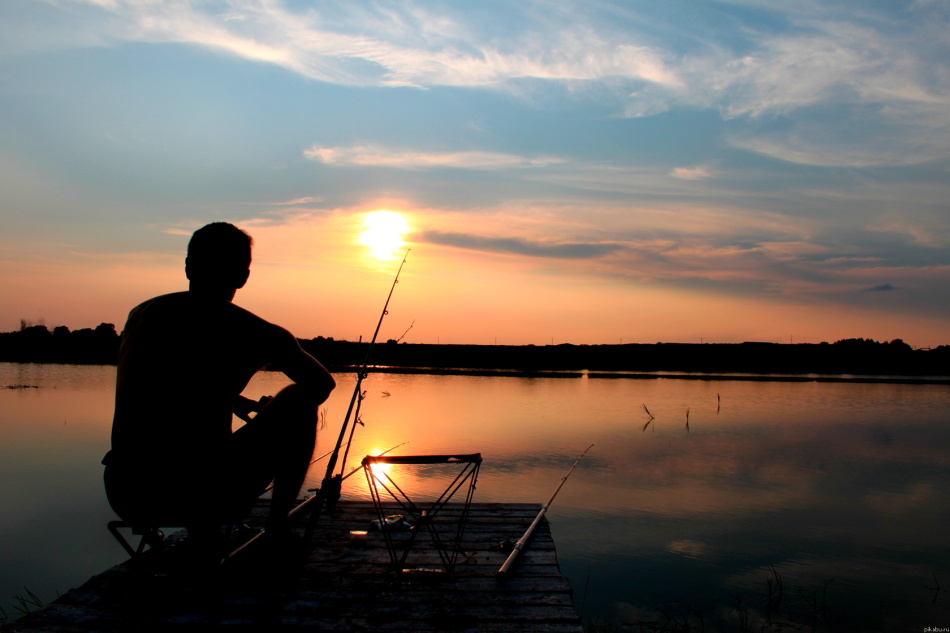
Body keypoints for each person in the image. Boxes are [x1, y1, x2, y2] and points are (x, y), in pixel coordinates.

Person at [103, 222, 336, 556]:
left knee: (187, 447)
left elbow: (174, 383)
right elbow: (321, 384)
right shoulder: (258, 332)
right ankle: (276, 529)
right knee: (300, 400)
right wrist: (269, 414)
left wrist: (230, 398)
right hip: (206, 493)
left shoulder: (143, 313)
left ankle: (203, 534)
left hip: (128, 492)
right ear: (243, 277)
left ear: (187, 266)